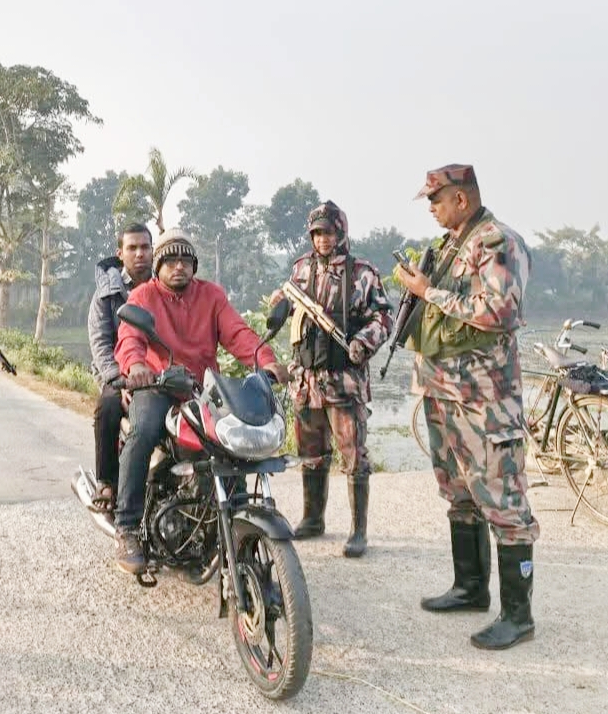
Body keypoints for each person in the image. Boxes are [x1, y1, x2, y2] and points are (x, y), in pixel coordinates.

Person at [394, 163, 538, 651]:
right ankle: (470, 587)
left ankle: (518, 616)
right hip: (442, 392)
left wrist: (428, 291)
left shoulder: (497, 242)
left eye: (436, 200)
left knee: (504, 501)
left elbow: (499, 311)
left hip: (484, 399)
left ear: (462, 198)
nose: (431, 209)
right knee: (458, 491)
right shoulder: (449, 246)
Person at [112, 228, 289, 573]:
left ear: (194, 265)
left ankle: (234, 519)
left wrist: (265, 360)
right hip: (158, 386)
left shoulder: (211, 295)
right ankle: (127, 527)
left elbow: (237, 332)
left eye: (185, 260)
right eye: (170, 261)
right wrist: (136, 365)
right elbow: (130, 336)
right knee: (143, 431)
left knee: (232, 445)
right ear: (158, 266)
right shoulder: (144, 296)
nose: (178, 266)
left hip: (203, 389)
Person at [270, 201, 392, 558]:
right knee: (310, 452)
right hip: (306, 379)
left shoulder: (362, 273)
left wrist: (362, 342)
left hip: (343, 379)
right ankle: (313, 519)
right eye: (317, 233)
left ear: (341, 233)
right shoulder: (301, 269)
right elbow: (287, 304)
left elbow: (383, 317)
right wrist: (279, 303)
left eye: (329, 232)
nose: (323, 239)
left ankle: (358, 531)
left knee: (354, 455)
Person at [86, 223, 154, 516]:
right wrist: (121, 380)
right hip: (118, 374)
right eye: (132, 248)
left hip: (157, 373)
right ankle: (107, 482)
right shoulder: (106, 294)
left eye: (145, 247)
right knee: (108, 406)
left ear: (153, 251)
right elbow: (100, 343)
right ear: (120, 253)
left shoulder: (163, 287)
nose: (139, 254)